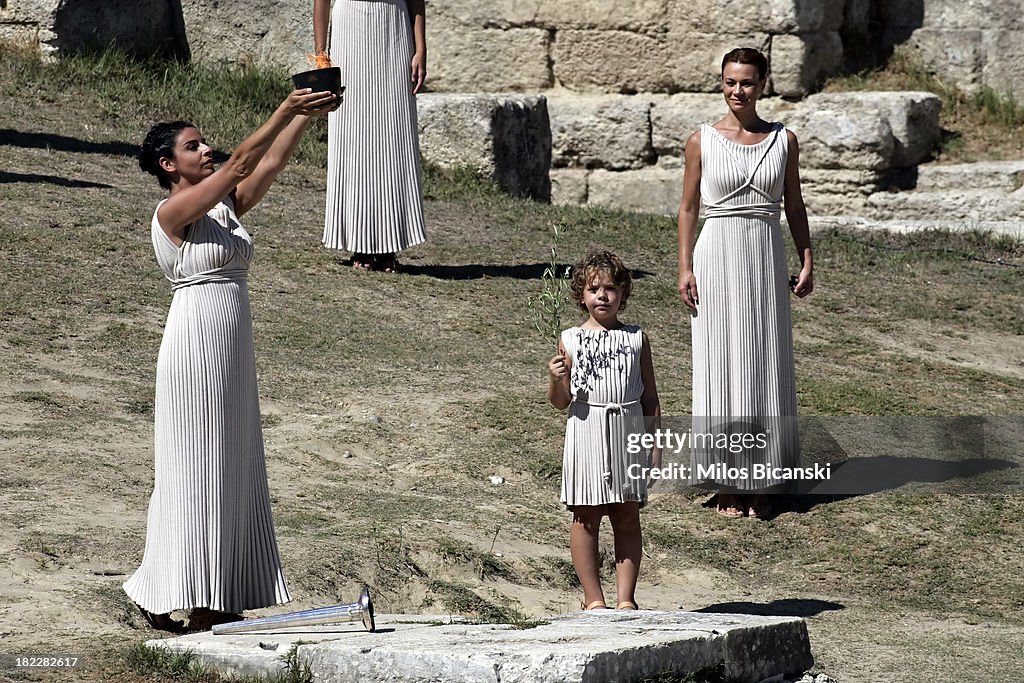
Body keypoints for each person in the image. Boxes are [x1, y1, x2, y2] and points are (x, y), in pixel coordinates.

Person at [124, 87, 339, 633]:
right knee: (194, 464)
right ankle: (171, 590)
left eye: (206, 144)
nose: (207, 151)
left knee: (229, 464)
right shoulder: (173, 210)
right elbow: (244, 158)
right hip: (195, 342)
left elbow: (268, 162)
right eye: (193, 147)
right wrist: (285, 108)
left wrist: (305, 120)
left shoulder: (223, 208)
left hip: (231, 344)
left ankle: (218, 594)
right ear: (169, 165)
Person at [677, 47, 813, 520]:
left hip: (763, 252)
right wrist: (684, 266)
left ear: (763, 85)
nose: (738, 91)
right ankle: (727, 482)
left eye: (748, 83)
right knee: (721, 361)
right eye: (731, 82)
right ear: (721, 83)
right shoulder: (702, 140)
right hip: (716, 255)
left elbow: (794, 205)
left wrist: (807, 258)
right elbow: (689, 208)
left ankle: (764, 480)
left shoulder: (783, 140)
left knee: (763, 360)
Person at [547, 250, 661, 611]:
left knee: (627, 514)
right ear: (582, 295)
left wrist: (654, 446)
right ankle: (593, 598)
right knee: (586, 515)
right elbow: (560, 402)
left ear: (623, 294)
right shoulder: (570, 339)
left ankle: (626, 598)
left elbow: (650, 398)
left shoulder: (636, 339)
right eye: (594, 288)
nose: (603, 295)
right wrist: (556, 379)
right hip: (587, 430)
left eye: (611, 288)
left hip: (627, 431)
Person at [313, 0, 427, 272]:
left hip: (394, 26)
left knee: (393, 133)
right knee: (352, 130)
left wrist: (421, 47)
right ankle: (359, 242)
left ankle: (389, 244)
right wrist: (320, 54)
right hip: (350, 24)